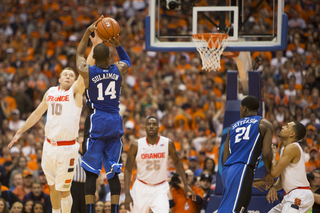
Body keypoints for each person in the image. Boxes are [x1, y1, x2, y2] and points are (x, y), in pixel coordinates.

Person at [8, 65, 85, 213]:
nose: (68, 76)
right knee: (52, 186)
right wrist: (20, 131)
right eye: (66, 74)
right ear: (59, 79)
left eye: (71, 75)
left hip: (67, 147)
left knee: (64, 188)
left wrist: (93, 48)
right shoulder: (51, 92)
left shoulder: (75, 92)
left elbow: (84, 70)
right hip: (49, 145)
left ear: (75, 80)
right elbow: (37, 114)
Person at [76, 16, 131, 213]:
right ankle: (115, 209)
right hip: (115, 121)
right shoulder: (117, 69)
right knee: (113, 171)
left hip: (97, 120)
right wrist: (118, 44)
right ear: (109, 58)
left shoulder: (87, 71)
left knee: (91, 173)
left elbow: (79, 54)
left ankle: (90, 210)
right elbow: (127, 60)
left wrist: (87, 33)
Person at [124, 116, 196, 213]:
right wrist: (127, 194)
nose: (151, 126)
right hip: (141, 186)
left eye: (154, 124)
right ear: (145, 127)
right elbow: (128, 169)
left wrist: (186, 184)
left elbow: (178, 162)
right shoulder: (136, 145)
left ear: (158, 127)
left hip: (160, 187)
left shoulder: (167, 143)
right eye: (149, 124)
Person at [217, 95, 275, 213]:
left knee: (237, 208)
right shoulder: (264, 124)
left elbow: (226, 156)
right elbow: (266, 153)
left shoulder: (233, 126)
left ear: (244, 108)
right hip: (242, 168)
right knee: (233, 210)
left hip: (228, 171)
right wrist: (270, 173)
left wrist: (248, 180)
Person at [266, 121, 314, 212]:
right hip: (290, 196)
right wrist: (274, 187)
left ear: (292, 134)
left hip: (300, 194)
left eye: (287, 126)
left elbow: (274, 173)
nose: (283, 127)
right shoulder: (285, 149)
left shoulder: (292, 148)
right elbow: (281, 182)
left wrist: (272, 156)